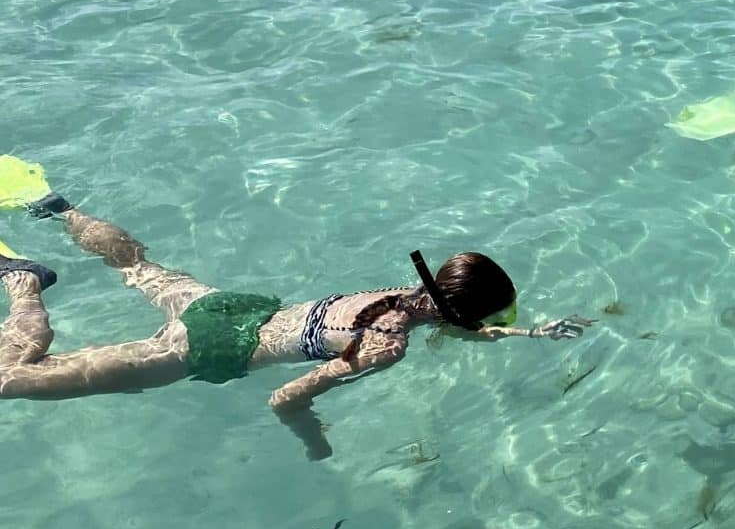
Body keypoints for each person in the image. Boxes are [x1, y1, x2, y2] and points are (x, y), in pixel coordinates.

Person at [0, 192, 590, 459]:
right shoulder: (385, 348)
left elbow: (448, 322)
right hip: (204, 347)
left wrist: (526, 333)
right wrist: (315, 440)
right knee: (12, 376)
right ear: (458, 312)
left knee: (137, 265)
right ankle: (23, 283)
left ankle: (63, 210)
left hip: (232, 308)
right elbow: (284, 396)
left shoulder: (398, 293)